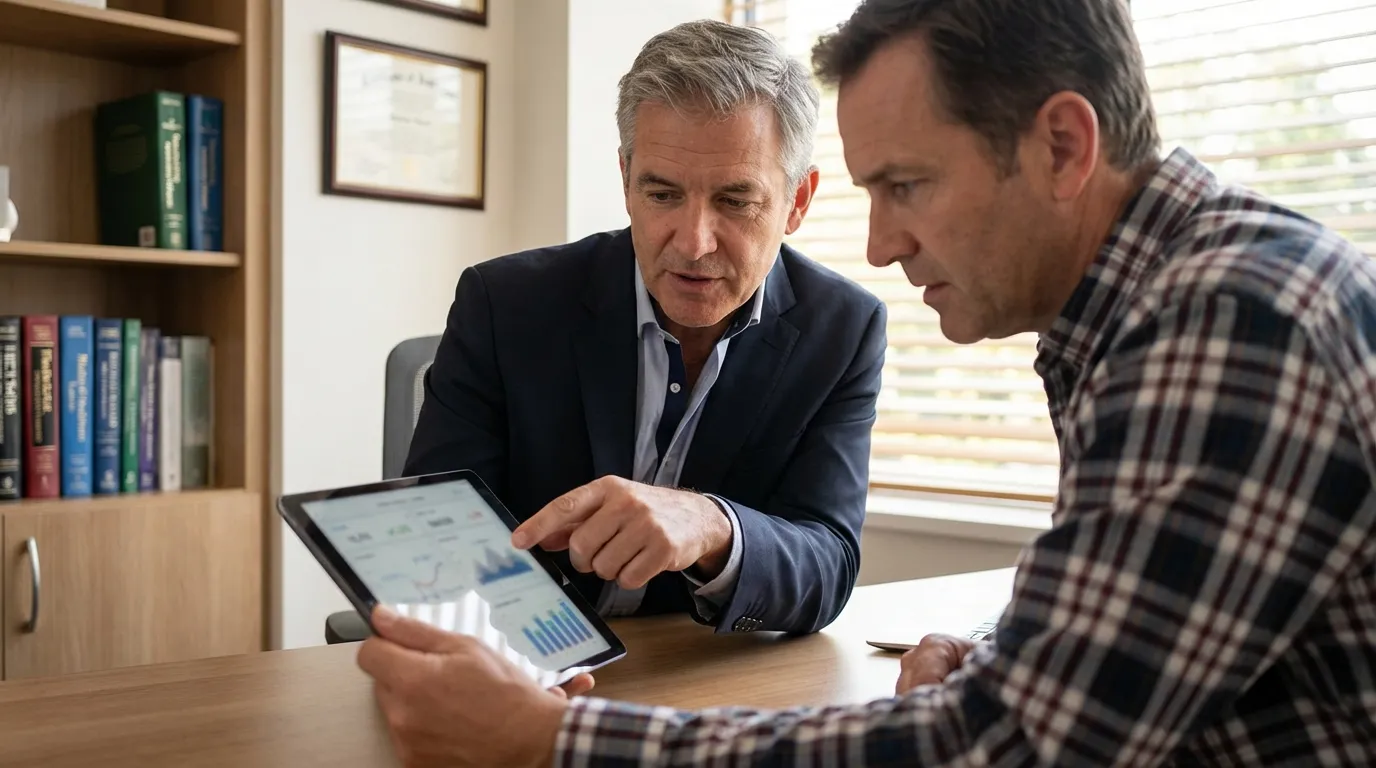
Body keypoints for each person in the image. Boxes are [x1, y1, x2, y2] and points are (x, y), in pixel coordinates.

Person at [357, 0, 1376, 764]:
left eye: (906, 185)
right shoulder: (1167, 308)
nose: (881, 242)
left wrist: (561, 739)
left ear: (1062, 146)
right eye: (659, 192)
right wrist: (997, 661)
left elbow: (1003, 747)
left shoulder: (1228, 323)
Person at [402, 19, 886, 638]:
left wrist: (714, 526)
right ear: (627, 180)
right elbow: (433, 535)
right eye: (662, 194)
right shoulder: (504, 303)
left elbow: (828, 564)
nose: (693, 242)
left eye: (736, 201)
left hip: (697, 683)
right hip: (523, 659)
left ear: (797, 201)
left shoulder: (843, 329)